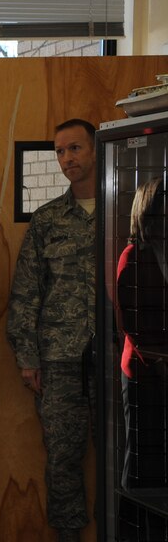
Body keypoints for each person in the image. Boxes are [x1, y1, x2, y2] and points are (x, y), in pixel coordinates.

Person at [7, 119, 97, 542]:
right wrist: (27, 357)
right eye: (60, 152)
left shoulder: (130, 210)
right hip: (60, 362)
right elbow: (25, 293)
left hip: (123, 359)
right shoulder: (47, 220)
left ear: (96, 151)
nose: (67, 159)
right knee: (62, 460)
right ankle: (68, 541)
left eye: (75, 148)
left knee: (133, 456)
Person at [115, 177, 168, 490]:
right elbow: (131, 324)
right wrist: (162, 362)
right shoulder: (133, 255)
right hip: (145, 373)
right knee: (142, 458)